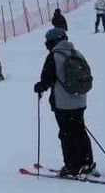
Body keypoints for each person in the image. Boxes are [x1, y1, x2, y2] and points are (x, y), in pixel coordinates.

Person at [33, 28, 95, 176]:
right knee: (80, 132)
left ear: (52, 42)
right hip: (80, 101)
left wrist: (39, 87)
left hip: (63, 103)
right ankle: (87, 162)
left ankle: (72, 167)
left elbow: (46, 79)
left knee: (67, 134)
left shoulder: (54, 56)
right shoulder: (76, 53)